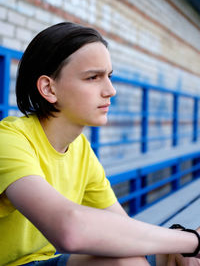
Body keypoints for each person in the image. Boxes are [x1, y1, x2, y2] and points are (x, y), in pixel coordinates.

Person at [0, 22, 199, 266]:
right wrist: (192, 240)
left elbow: (122, 228)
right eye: (93, 77)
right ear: (49, 88)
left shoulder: (80, 148)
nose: (111, 90)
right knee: (125, 262)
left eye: (109, 76)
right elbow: (68, 229)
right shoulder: (8, 141)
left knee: (174, 257)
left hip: (48, 260)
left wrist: (179, 243)